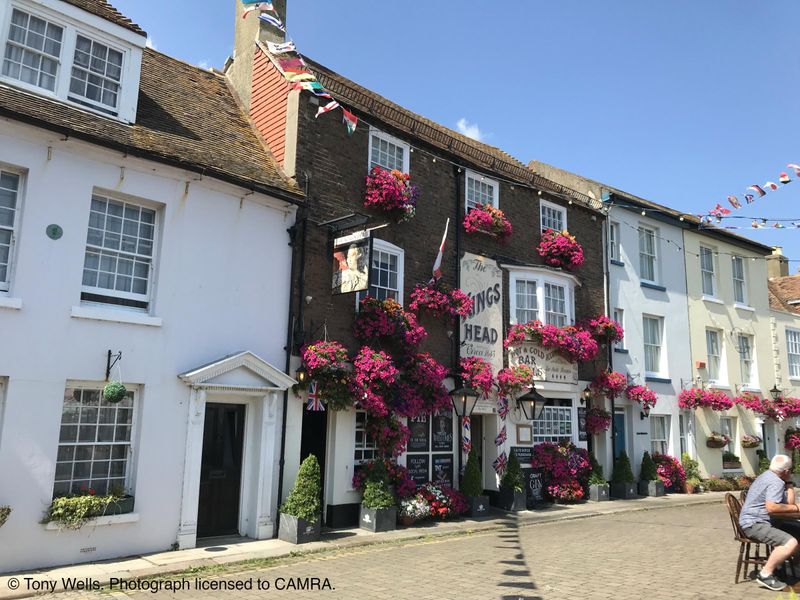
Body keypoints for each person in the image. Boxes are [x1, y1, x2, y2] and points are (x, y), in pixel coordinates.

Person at [739, 454, 799, 591]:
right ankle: (765, 574)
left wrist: (789, 483)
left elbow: (788, 504)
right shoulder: (775, 482)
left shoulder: (767, 476)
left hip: (763, 521)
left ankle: (789, 568)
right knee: (790, 542)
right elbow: (772, 507)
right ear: (786, 471)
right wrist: (796, 508)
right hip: (754, 523)